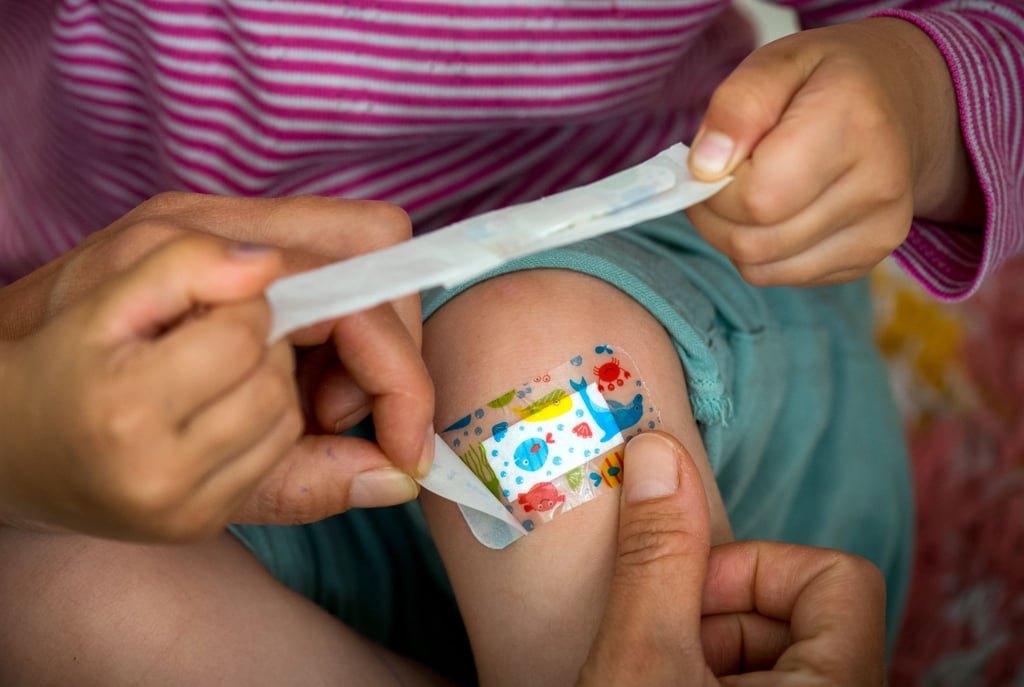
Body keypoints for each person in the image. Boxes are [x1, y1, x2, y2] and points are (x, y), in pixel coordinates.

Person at [0, 0, 1020, 683]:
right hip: (209, 428)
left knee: (526, 362)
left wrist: (914, 102)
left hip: (676, 354)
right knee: (39, 589)